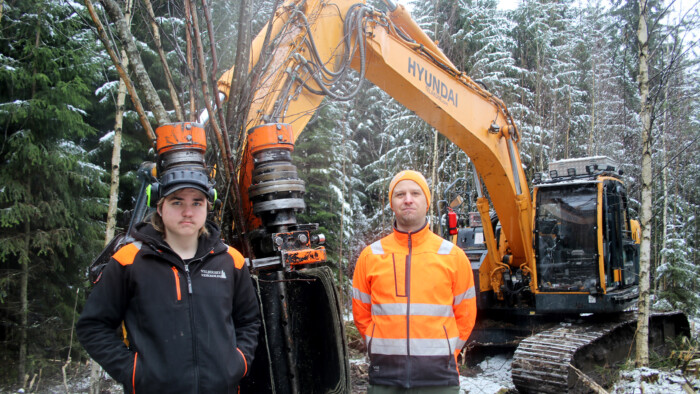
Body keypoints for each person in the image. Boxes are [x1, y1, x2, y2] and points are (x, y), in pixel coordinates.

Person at [77, 170, 261, 393]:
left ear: (207, 208)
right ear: (159, 207)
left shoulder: (232, 261)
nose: (187, 212)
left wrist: (238, 362)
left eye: (196, 202)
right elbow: (93, 326)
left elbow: (249, 321)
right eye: (176, 202)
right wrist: (133, 372)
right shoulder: (130, 261)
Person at [352, 170, 477, 393]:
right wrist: (376, 345)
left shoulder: (453, 256)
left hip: (440, 380)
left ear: (426, 202)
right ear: (391, 203)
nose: (408, 199)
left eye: (415, 193)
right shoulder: (370, 256)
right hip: (385, 380)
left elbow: (466, 317)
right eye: (400, 194)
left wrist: (447, 353)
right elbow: (361, 314)